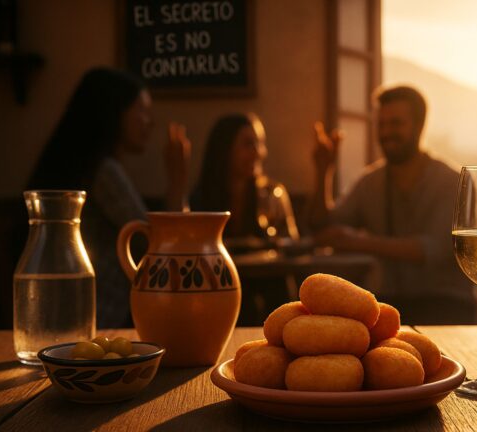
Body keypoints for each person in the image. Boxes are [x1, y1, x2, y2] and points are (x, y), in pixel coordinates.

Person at [27, 67, 189, 328]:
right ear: (115, 113)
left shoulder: (86, 166)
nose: (150, 121)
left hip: (75, 317)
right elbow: (163, 245)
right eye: (142, 111)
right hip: (101, 320)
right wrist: (178, 179)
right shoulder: (104, 173)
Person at [309, 85, 475, 324]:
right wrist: (323, 170)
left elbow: (437, 249)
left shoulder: (455, 181)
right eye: (381, 125)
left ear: (419, 127)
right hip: (386, 303)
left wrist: (358, 242)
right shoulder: (370, 182)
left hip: (446, 303)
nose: (386, 132)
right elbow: (322, 226)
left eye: (396, 123)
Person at [191, 113, 299, 324]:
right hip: (220, 286)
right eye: (248, 144)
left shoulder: (272, 194)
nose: (258, 152)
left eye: (260, 144)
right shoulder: (203, 196)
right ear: (224, 150)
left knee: (278, 285)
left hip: (267, 286)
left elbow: (290, 244)